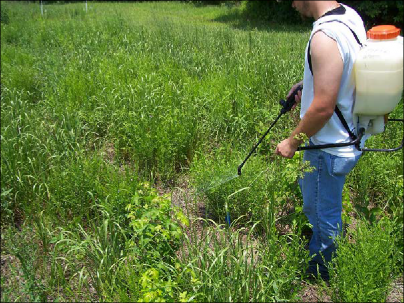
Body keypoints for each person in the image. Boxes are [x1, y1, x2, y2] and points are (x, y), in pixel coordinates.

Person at [275, 1, 367, 281]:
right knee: (324, 205)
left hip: (328, 147)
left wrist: (291, 143)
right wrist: (309, 84)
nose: (291, 3)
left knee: (320, 210)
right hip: (349, 136)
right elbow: (346, 71)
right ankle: (322, 251)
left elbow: (324, 108)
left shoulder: (324, 37)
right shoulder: (349, 17)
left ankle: (321, 272)